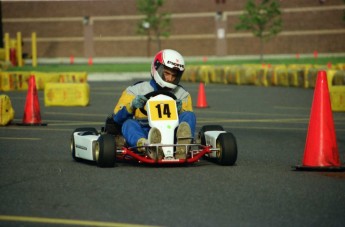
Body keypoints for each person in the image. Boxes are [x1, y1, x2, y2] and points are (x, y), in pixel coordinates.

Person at [105, 49, 196, 160]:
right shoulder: (135, 90)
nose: (170, 79)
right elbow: (117, 118)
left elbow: (187, 117)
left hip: (172, 131)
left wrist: (180, 110)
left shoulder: (182, 94)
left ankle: (182, 148)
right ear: (156, 68)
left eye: (174, 75)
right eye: (166, 73)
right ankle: (147, 146)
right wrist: (132, 106)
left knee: (189, 115)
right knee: (128, 124)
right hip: (144, 129)